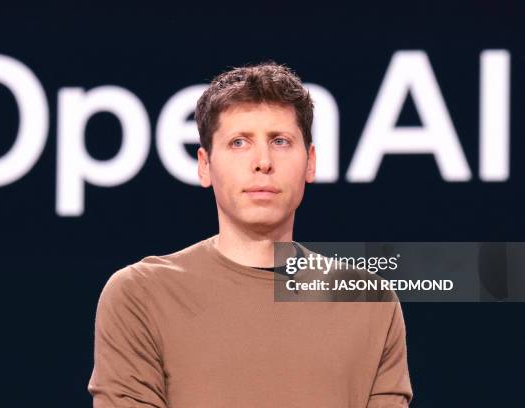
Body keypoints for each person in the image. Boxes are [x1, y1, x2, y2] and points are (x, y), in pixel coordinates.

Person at [88, 62, 413, 407]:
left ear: (311, 162)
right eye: (239, 142)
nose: (262, 161)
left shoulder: (369, 302)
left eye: (281, 141)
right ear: (204, 165)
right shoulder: (141, 295)